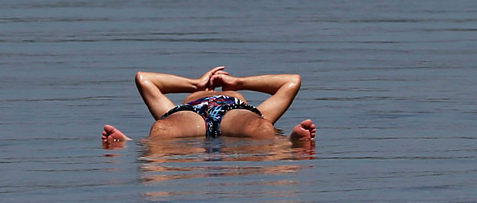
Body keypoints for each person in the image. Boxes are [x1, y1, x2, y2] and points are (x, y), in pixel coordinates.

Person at [101, 66, 316, 148]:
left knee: (262, 127)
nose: (214, 87)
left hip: (233, 112)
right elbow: (143, 78)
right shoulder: (177, 106)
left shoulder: (242, 101)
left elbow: (292, 80)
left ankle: (288, 142)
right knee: (161, 128)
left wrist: (238, 82)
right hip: (190, 115)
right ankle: (132, 144)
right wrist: (196, 83)